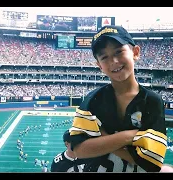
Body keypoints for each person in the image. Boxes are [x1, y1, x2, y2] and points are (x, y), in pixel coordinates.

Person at [69, 25, 167, 172]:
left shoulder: (152, 101)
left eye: (119, 51)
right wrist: (129, 136)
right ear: (99, 66)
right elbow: (78, 149)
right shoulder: (92, 99)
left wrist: (102, 137)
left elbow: (152, 162)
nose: (114, 61)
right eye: (104, 57)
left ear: (135, 52)